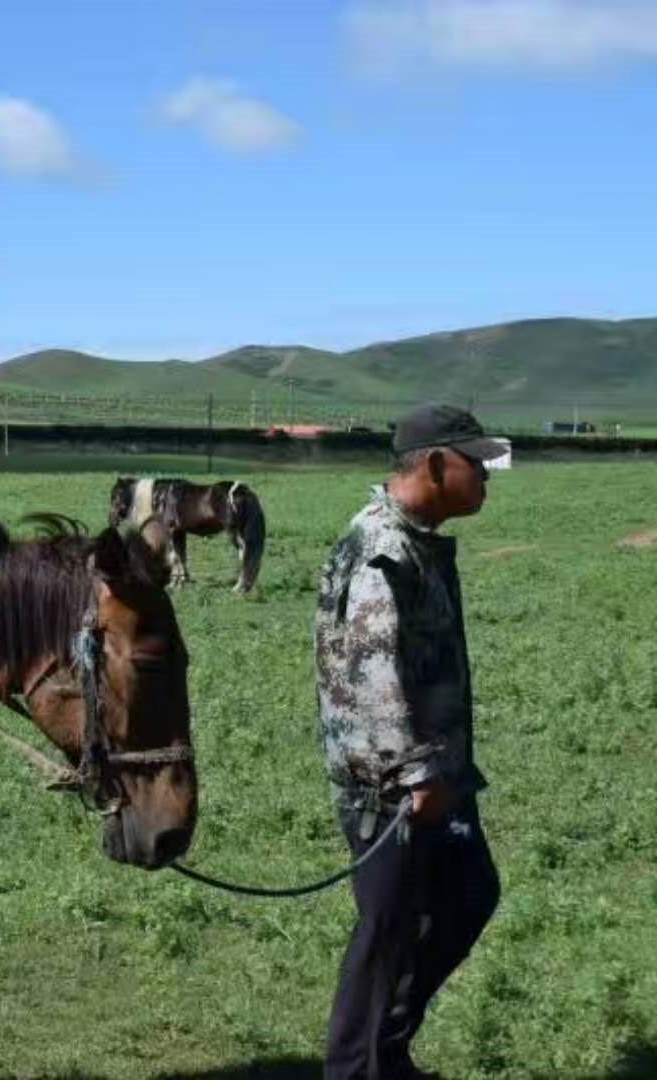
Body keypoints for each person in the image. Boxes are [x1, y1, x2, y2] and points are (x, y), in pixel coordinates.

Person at [314, 404, 508, 1080]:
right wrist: (416, 775)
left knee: (466, 895)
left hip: (433, 777)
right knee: (386, 931)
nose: (486, 476)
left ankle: (386, 1049)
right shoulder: (382, 549)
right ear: (433, 465)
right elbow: (369, 668)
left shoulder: (415, 537)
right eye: (475, 464)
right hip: (393, 788)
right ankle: (355, 1070)